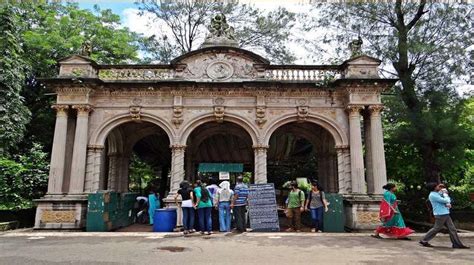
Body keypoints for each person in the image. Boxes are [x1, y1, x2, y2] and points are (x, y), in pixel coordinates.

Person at [419, 183, 470, 249]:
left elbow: (444, 196)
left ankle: (457, 244)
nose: (438, 187)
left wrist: (444, 192)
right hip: (440, 214)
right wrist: (446, 194)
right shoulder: (433, 195)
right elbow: (446, 200)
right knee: (437, 228)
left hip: (444, 213)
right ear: (434, 188)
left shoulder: (436, 193)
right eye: (437, 186)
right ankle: (423, 240)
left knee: (452, 229)